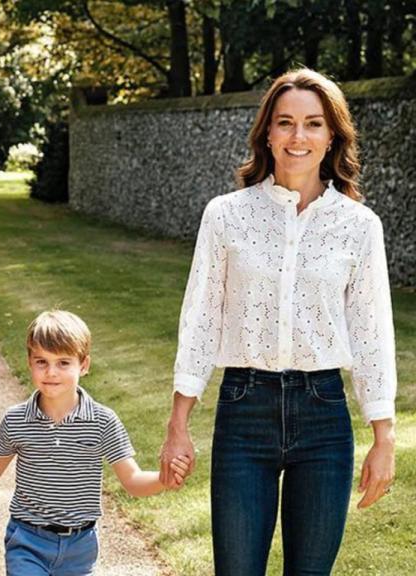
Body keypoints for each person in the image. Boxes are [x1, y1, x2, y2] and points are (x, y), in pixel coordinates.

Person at [160, 68, 397, 575]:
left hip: (324, 416)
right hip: (244, 409)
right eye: (285, 122)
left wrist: (384, 437)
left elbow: (373, 334)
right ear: (267, 132)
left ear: (331, 134)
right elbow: (200, 320)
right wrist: (179, 423)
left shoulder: (359, 227)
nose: (298, 137)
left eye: (313, 124)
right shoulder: (226, 215)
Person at [0, 310, 188, 576]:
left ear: (84, 365)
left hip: (80, 546)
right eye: (41, 361)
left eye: (63, 363)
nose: (51, 372)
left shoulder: (102, 421)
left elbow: (132, 479)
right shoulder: (17, 420)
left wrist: (163, 479)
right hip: (28, 539)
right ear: (29, 362)